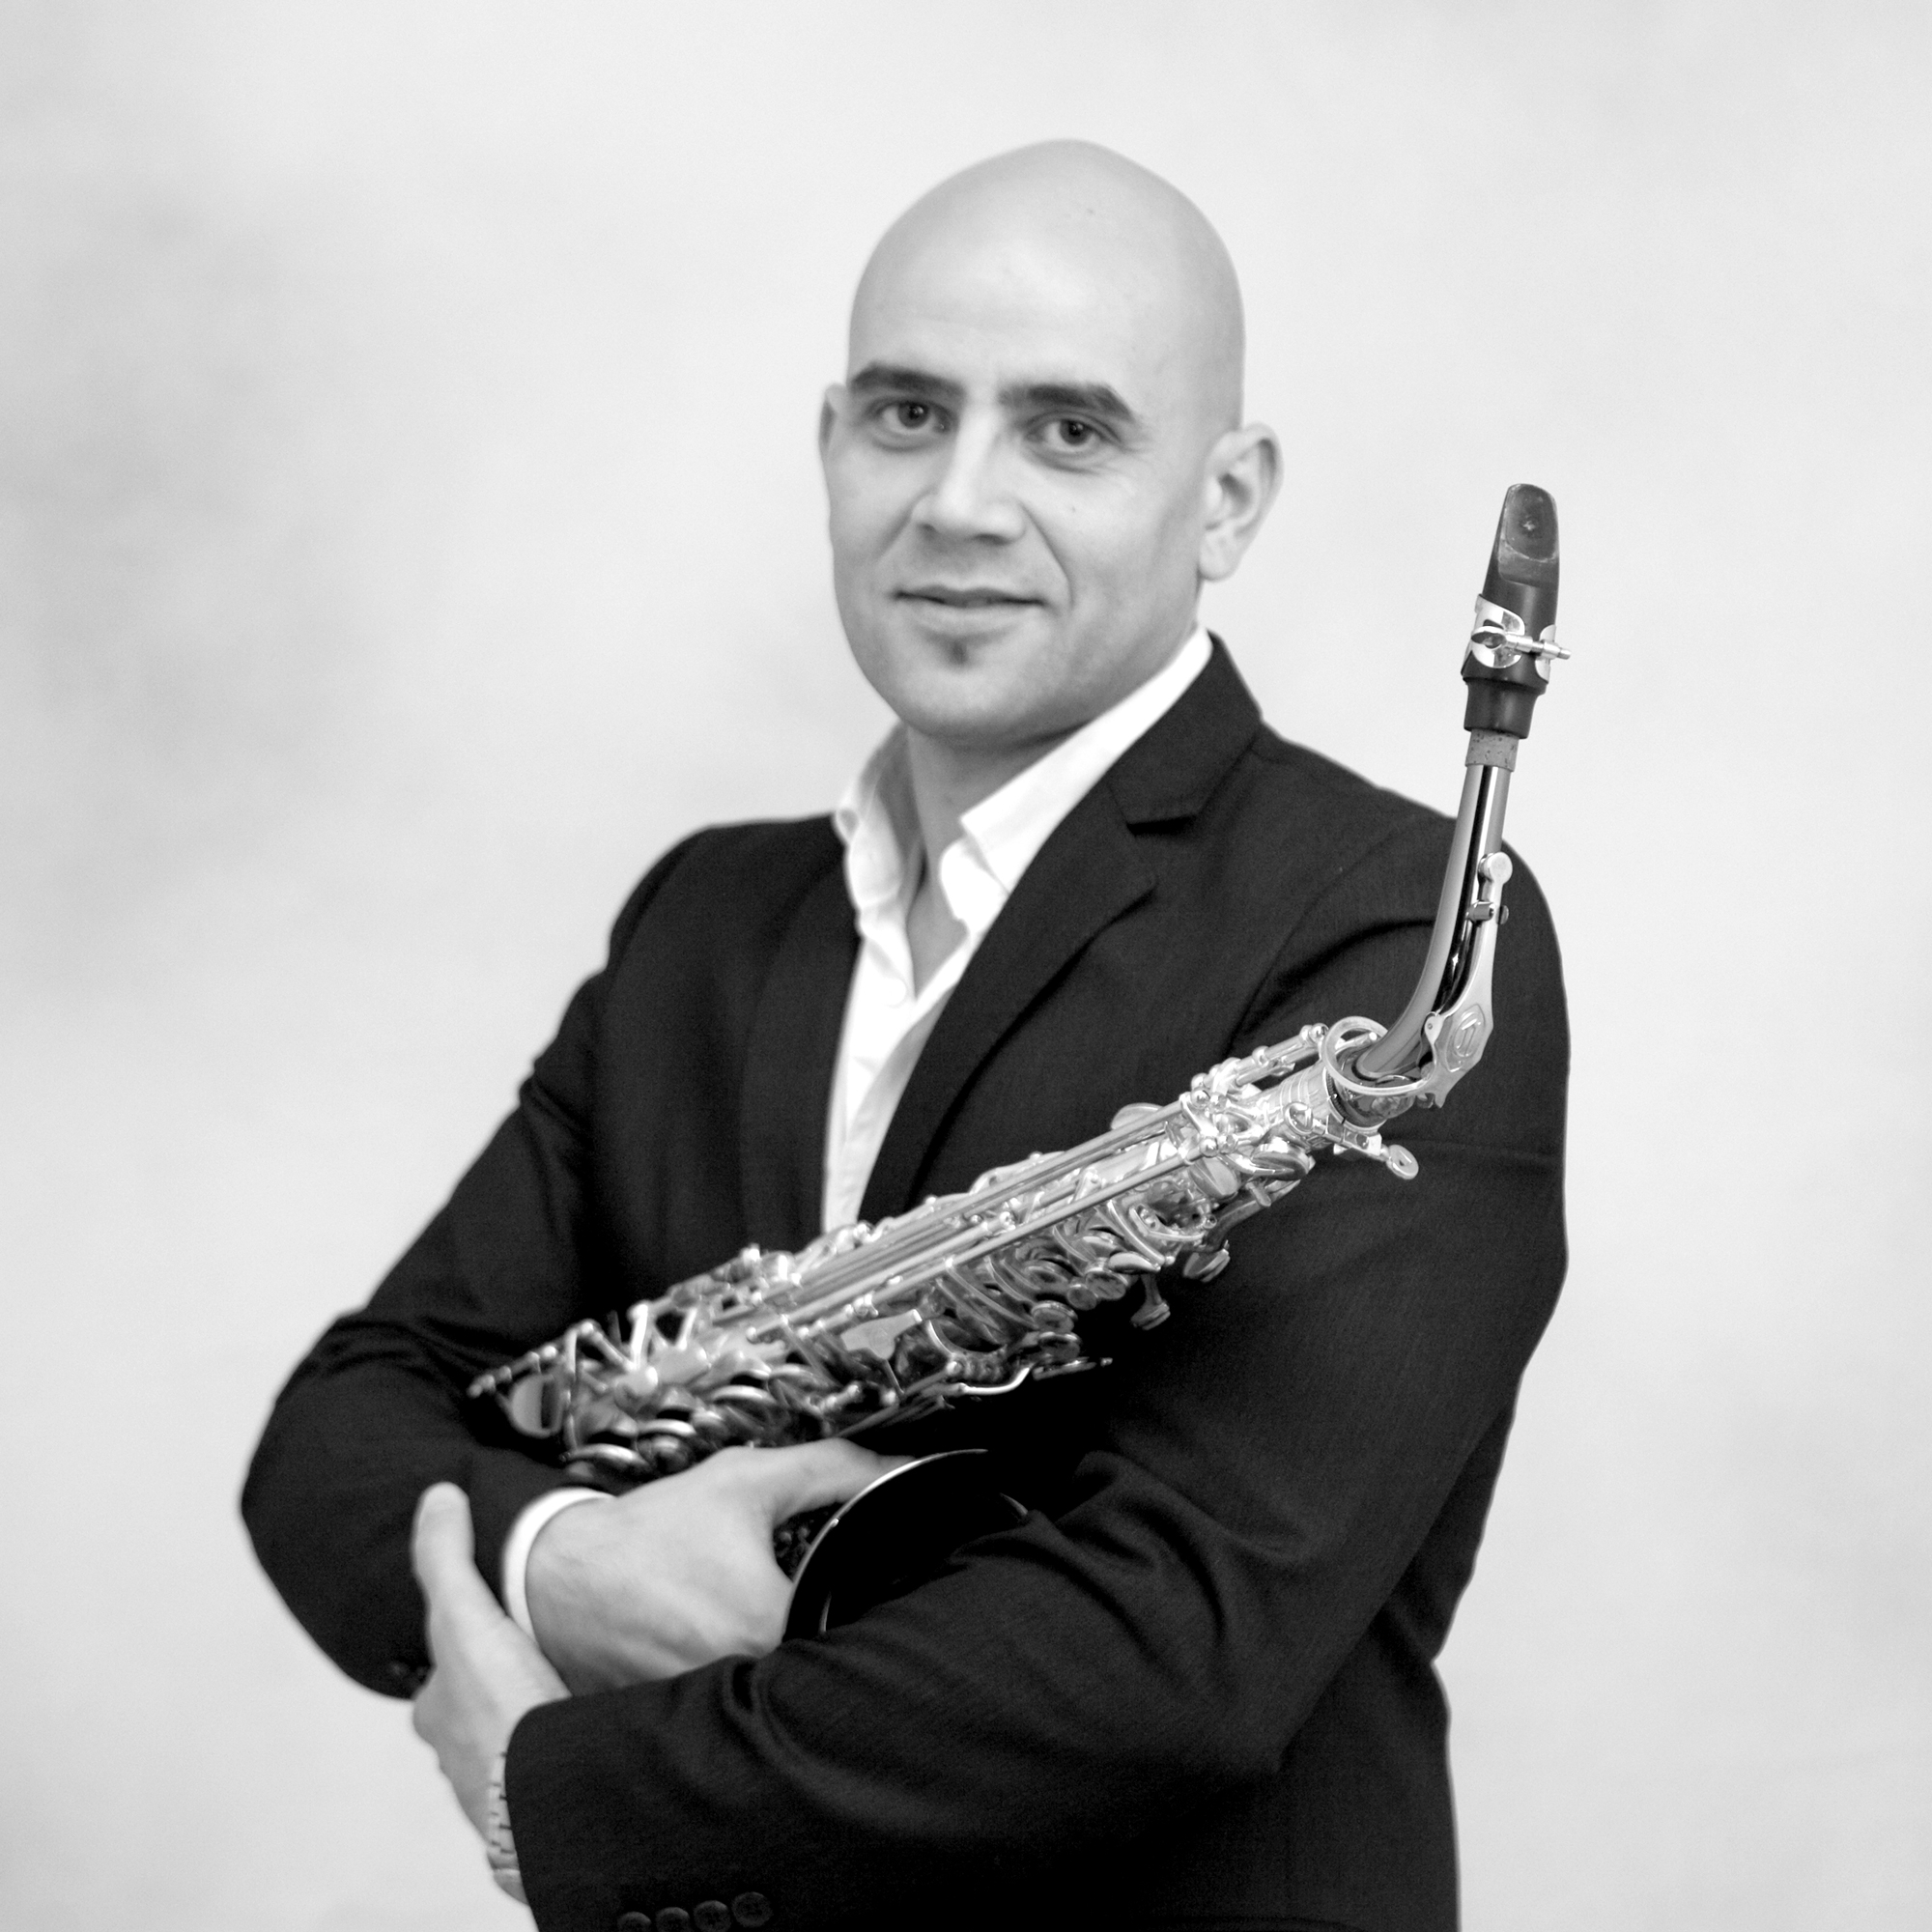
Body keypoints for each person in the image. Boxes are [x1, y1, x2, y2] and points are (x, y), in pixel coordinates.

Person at [244, 140, 1569, 1932]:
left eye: (1068, 431)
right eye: (906, 413)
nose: (958, 501)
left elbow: (1180, 1659)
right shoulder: (704, 919)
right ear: (829, 447)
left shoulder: (1393, 932)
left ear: (1228, 500)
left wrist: (554, 1790)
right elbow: (333, 1439)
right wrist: (568, 1561)